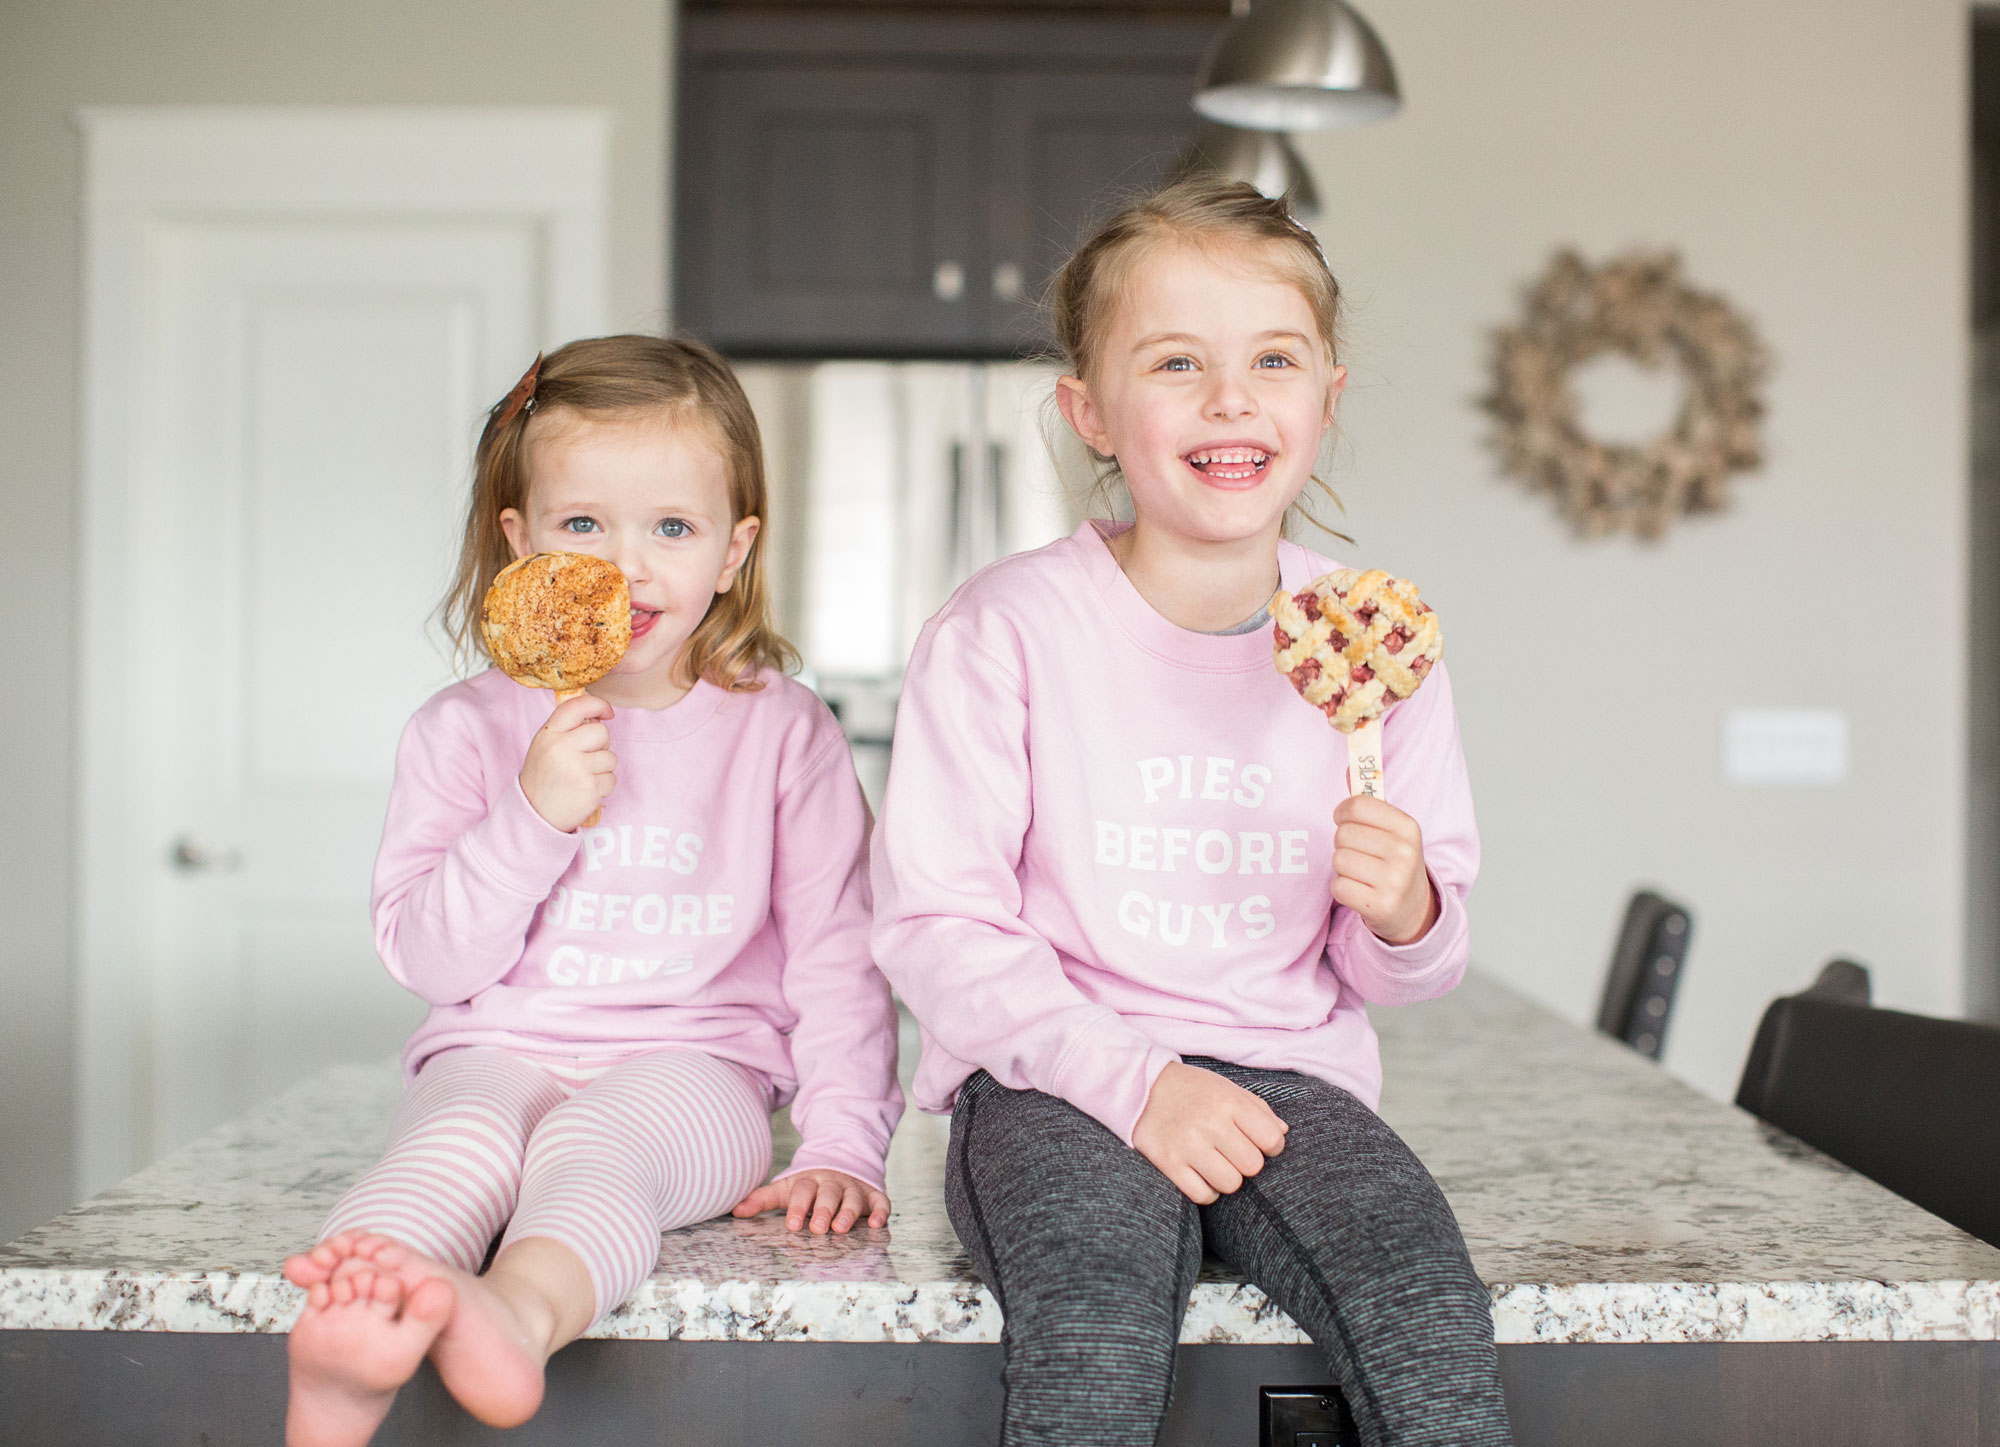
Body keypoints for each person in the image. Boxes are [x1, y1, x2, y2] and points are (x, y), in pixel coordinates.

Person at [869, 177, 1512, 1447]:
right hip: (1054, 1075)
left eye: (1273, 359)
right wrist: (1138, 1081)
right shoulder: (1005, 631)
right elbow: (938, 929)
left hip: (1288, 1076)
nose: (1230, 398)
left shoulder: (1376, 650)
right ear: (1090, 412)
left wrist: (1406, 910)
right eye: (1175, 362)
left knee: (1428, 1311)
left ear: (1324, 397)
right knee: (1095, 1327)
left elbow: (1406, 970)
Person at [281, 336, 901, 1447]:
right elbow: (430, 960)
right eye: (583, 525)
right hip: (496, 1043)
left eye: (672, 528)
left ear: (733, 548)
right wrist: (532, 814)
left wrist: (841, 1143)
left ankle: (516, 1315)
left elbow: (838, 959)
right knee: (455, 1141)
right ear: (520, 544)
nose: (627, 565)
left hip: (698, 1066)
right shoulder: (463, 730)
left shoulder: (782, 731)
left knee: (596, 1146)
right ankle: (350, 1335)